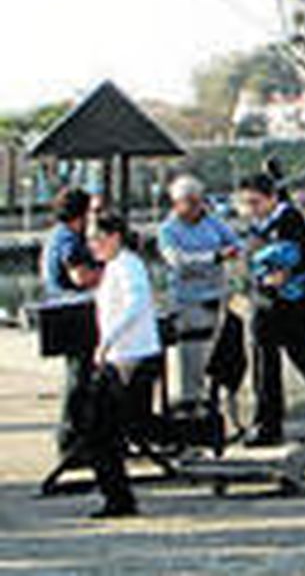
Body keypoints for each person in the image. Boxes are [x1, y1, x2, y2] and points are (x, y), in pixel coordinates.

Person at [239, 172, 305, 447]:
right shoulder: (257, 225)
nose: (251, 209)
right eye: (247, 204)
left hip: (290, 302)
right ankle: (268, 424)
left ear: (272, 198)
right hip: (264, 302)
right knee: (264, 364)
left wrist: (288, 271)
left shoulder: (289, 219)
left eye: (256, 203)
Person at [84, 211, 161, 519]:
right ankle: (116, 495)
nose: (92, 246)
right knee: (103, 428)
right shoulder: (116, 266)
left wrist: (108, 339)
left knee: (106, 429)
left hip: (131, 356)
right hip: (121, 356)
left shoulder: (127, 265)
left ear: (114, 237)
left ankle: (118, 497)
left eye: (96, 239)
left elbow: (136, 302)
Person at [157, 174, 241, 407]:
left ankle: (220, 401)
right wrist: (213, 257)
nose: (197, 206)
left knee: (221, 354)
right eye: (190, 202)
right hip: (188, 300)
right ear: (177, 203)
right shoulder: (168, 229)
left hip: (217, 295)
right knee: (192, 355)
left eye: (198, 201)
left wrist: (225, 254)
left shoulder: (213, 222)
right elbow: (177, 261)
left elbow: (236, 244)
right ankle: (192, 400)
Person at [38, 186, 101, 459]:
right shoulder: (69, 239)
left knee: (79, 377)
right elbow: (80, 276)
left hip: (62, 313)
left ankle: (76, 436)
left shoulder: (57, 235)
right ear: (81, 214)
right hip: (73, 315)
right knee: (79, 378)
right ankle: (73, 439)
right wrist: (108, 271)